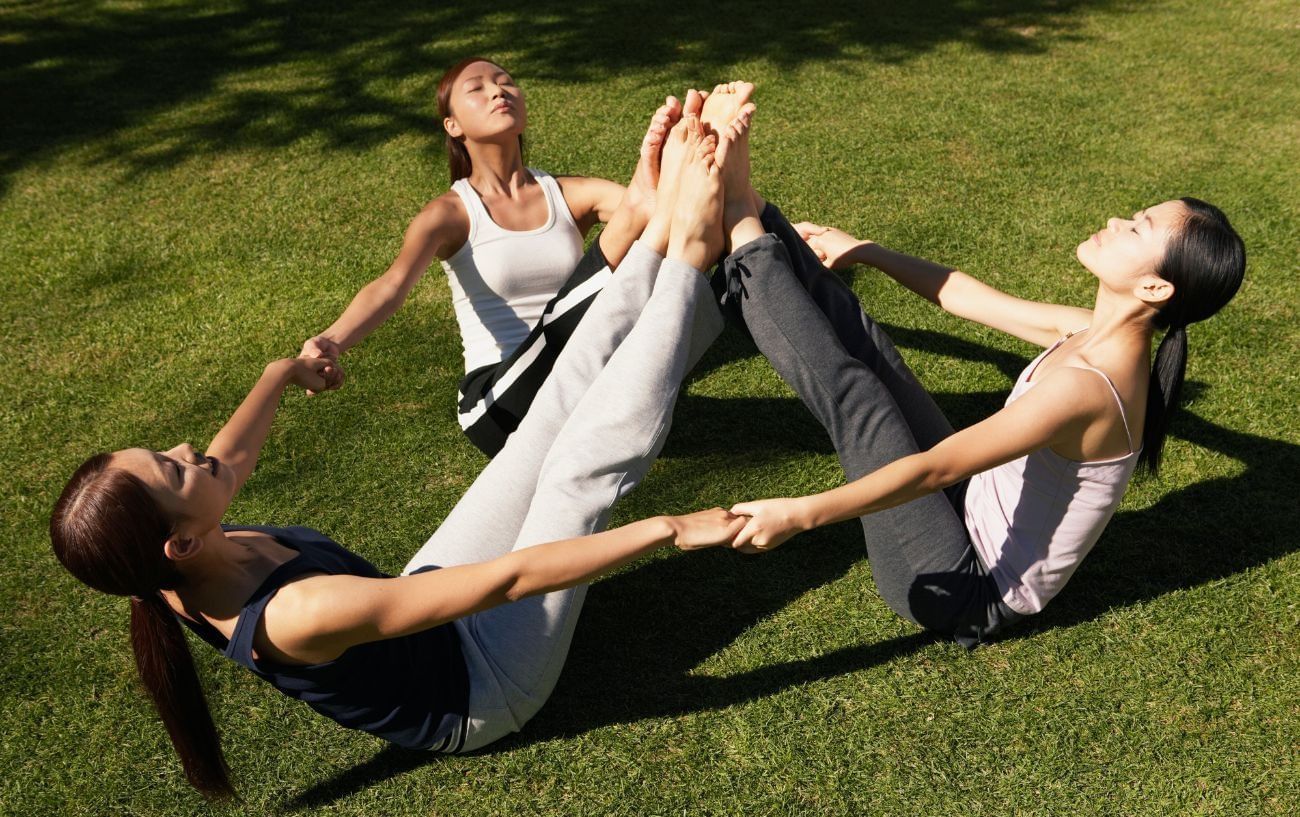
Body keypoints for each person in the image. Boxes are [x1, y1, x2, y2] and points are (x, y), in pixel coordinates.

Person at [49, 92, 756, 798]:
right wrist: (667, 526)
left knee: (537, 433)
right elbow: (508, 581)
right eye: (172, 469)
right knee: (575, 474)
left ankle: (659, 234)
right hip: (483, 686)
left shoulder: (172, 559)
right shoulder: (294, 616)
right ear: (179, 541)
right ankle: (691, 254)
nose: (184, 446)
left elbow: (227, 457)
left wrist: (281, 372)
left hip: (412, 602)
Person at [712, 125, 1245, 646]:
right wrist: (866, 250)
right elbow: (966, 296)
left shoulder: (1089, 389)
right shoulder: (1090, 331)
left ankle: (737, 217)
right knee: (874, 352)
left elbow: (937, 468)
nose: (1115, 219)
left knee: (861, 403)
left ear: (1154, 286)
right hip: (968, 507)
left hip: (966, 591)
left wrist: (798, 514)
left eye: (1136, 228)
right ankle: (754, 209)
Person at [298, 56, 686, 456]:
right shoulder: (450, 214)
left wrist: (682, 162)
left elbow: (671, 224)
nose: (498, 91)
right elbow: (391, 287)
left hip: (582, 383)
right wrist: (331, 340)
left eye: (505, 83)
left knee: (646, 233)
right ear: (453, 126)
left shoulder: (570, 194)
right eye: (477, 89)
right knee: (619, 243)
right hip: (498, 404)